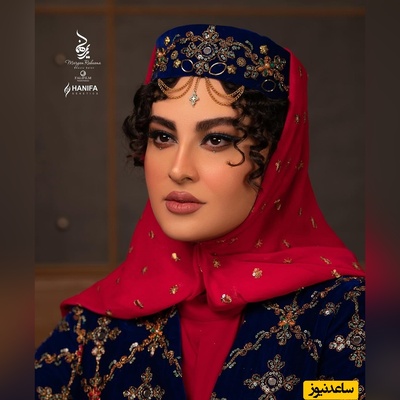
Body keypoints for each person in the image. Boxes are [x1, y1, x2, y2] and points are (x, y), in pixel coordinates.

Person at [35, 24, 365, 399]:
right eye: (163, 136)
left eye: (216, 139)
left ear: (277, 157)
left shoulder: (343, 315)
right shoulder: (98, 324)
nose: (178, 169)